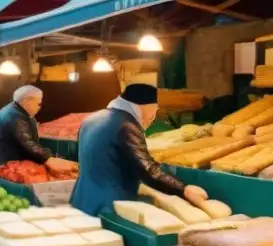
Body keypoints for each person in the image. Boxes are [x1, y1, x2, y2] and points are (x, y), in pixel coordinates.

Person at [70, 83, 209, 216]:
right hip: (109, 207)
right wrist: (184, 189)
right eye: (154, 111)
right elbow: (147, 170)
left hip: (82, 200)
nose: (153, 118)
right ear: (143, 107)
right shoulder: (126, 125)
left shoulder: (91, 119)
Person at [0, 85, 75, 175]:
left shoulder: (14, 112)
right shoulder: (14, 116)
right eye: (38, 104)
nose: (39, 108)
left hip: (5, 168)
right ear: (27, 101)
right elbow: (27, 143)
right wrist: (48, 158)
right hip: (3, 170)